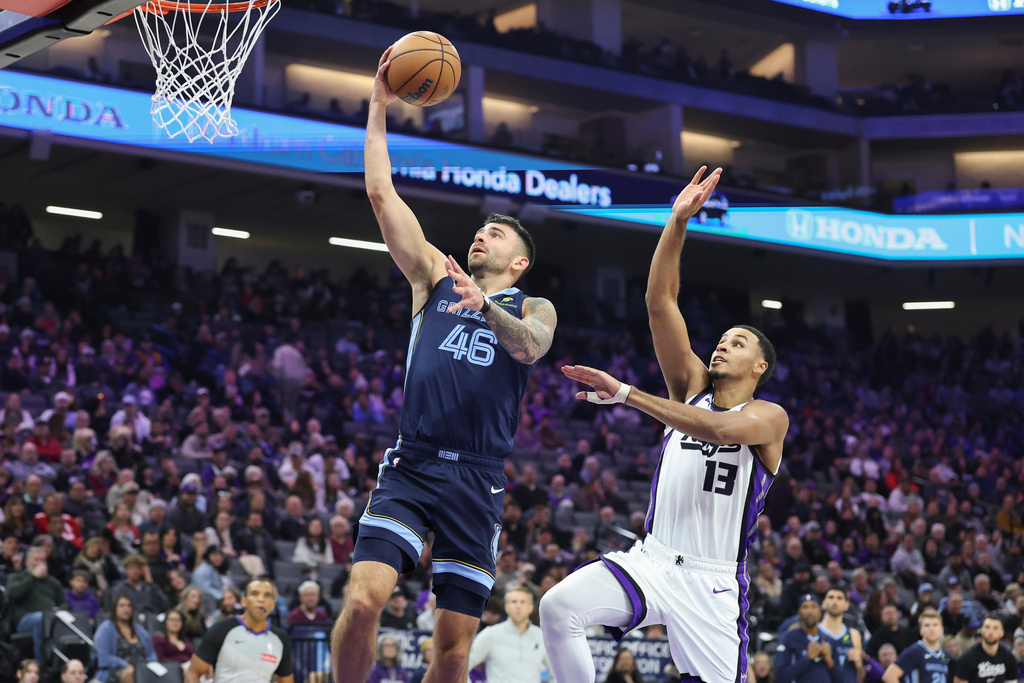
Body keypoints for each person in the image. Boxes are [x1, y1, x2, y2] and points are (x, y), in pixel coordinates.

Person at [331, 46, 556, 683]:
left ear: (518, 262)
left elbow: (530, 348)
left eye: (498, 234)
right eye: (480, 230)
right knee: (364, 597)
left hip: (478, 478)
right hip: (415, 459)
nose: (481, 235)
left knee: (454, 647)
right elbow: (381, 193)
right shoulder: (433, 275)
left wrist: (486, 304)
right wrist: (378, 101)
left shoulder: (533, 304)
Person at [540, 166, 788, 683]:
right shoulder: (691, 388)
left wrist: (627, 395)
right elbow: (659, 304)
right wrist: (676, 222)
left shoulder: (768, 417)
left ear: (759, 367)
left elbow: (716, 431)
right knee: (559, 608)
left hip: (712, 584)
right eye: (721, 338)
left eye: (737, 342)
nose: (722, 344)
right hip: (651, 561)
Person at [185, 577, 294, 683]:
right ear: (244, 601)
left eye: (267, 595)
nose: (261, 600)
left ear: (273, 604)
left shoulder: (280, 639)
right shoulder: (222, 629)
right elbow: (193, 673)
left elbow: (285, 680)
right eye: (255, 594)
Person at [468, 585, 552, 683]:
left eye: (523, 602)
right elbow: (463, 664)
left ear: (531, 608)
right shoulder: (490, 634)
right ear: (506, 607)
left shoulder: (541, 636)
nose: (518, 606)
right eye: (514, 602)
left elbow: (557, 671)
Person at [10, 546, 68, 662]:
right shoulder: (18, 577)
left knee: (73, 618)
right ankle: (41, 664)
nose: (40, 563)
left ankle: (66, 662)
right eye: (36, 560)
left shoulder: (53, 582)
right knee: (41, 618)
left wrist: (60, 608)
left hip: (51, 617)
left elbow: (65, 602)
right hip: (26, 620)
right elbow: (12, 593)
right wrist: (32, 577)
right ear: (27, 562)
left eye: (43, 560)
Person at [775, 595, 843, 683]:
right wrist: (807, 658)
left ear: (820, 612)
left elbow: (841, 679)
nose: (810, 611)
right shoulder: (788, 638)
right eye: (805, 607)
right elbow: (780, 677)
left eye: (813, 607)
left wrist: (829, 661)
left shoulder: (828, 640)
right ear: (799, 612)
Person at [95, 594, 158, 683]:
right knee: (131, 673)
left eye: (129, 606)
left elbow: (151, 653)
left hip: (142, 669)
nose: (126, 609)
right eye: (122, 606)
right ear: (115, 608)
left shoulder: (139, 629)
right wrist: (125, 664)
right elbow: (103, 658)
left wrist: (151, 665)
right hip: (116, 670)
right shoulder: (106, 628)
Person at [882, 609, 950, 683]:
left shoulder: (944, 654)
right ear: (920, 630)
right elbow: (889, 676)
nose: (931, 629)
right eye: (927, 625)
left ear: (942, 629)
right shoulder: (915, 651)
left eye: (935, 625)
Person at [819, 587, 865, 683]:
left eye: (839, 598)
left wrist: (859, 665)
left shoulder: (854, 635)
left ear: (846, 605)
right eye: (831, 597)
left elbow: (860, 678)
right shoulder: (814, 632)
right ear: (823, 603)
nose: (835, 601)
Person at [953, 616, 1016, 683]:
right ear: (982, 630)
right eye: (987, 627)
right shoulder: (968, 657)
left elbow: (1011, 681)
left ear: (1002, 632)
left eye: (995, 628)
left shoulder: (1009, 658)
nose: (991, 632)